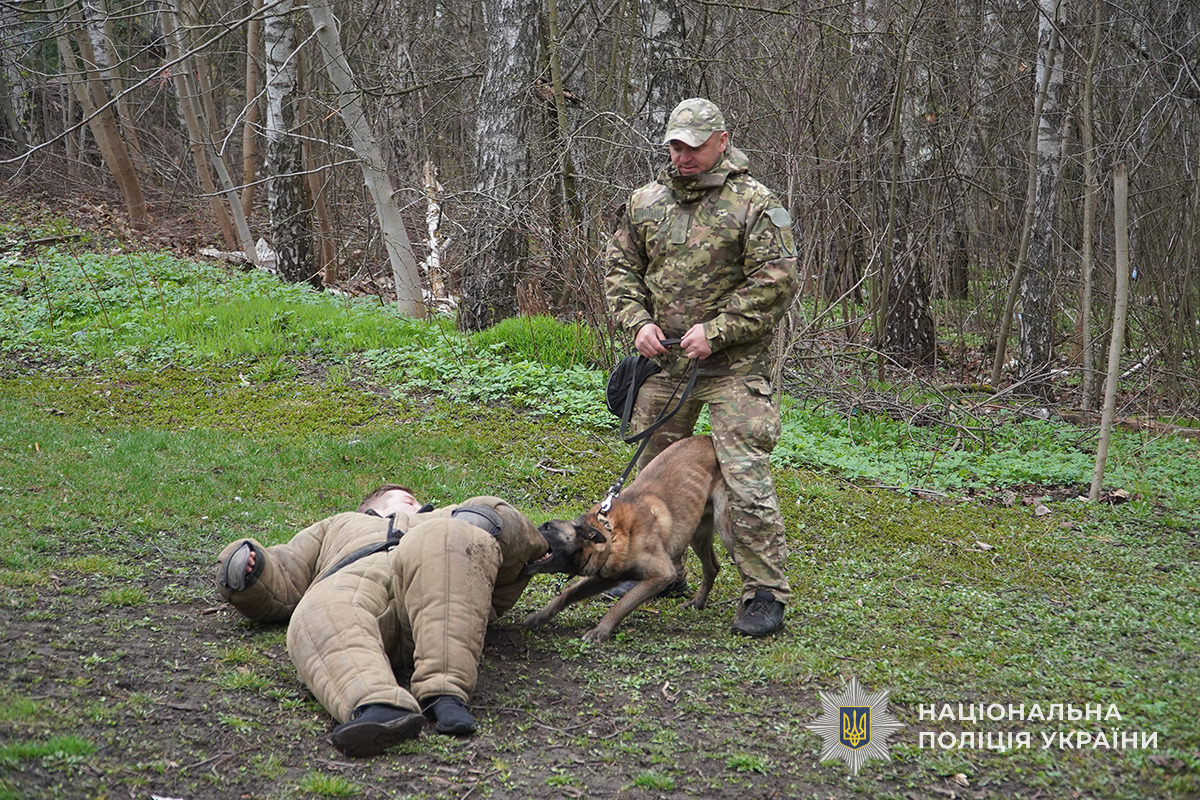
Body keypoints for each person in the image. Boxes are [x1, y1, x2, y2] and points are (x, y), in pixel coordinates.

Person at [605, 97, 798, 638]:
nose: (682, 155)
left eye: (693, 145)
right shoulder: (646, 201)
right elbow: (620, 269)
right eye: (675, 145)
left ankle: (764, 592)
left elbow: (777, 281)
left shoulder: (755, 203)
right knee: (651, 478)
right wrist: (637, 322)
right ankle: (658, 570)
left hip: (735, 368)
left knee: (744, 479)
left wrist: (716, 332)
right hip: (665, 365)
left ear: (721, 141)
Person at [214, 484, 548, 757]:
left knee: (450, 539)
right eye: (401, 496)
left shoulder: (451, 516)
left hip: (437, 586)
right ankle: (377, 704)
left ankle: (445, 692)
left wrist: (490, 519)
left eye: (414, 499)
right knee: (323, 607)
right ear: (371, 509)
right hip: (355, 581)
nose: (412, 499)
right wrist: (251, 569)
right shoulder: (339, 525)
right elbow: (287, 569)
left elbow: (520, 538)